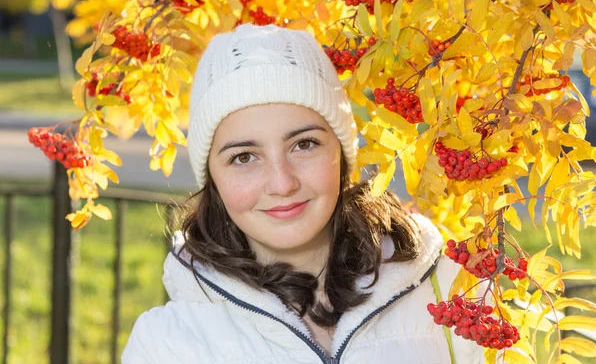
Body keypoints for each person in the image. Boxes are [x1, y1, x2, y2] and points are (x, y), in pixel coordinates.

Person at [121, 24, 483, 363]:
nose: (282, 183)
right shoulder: (166, 344)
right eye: (244, 157)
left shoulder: (457, 296)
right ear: (213, 177)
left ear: (341, 153)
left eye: (304, 144)